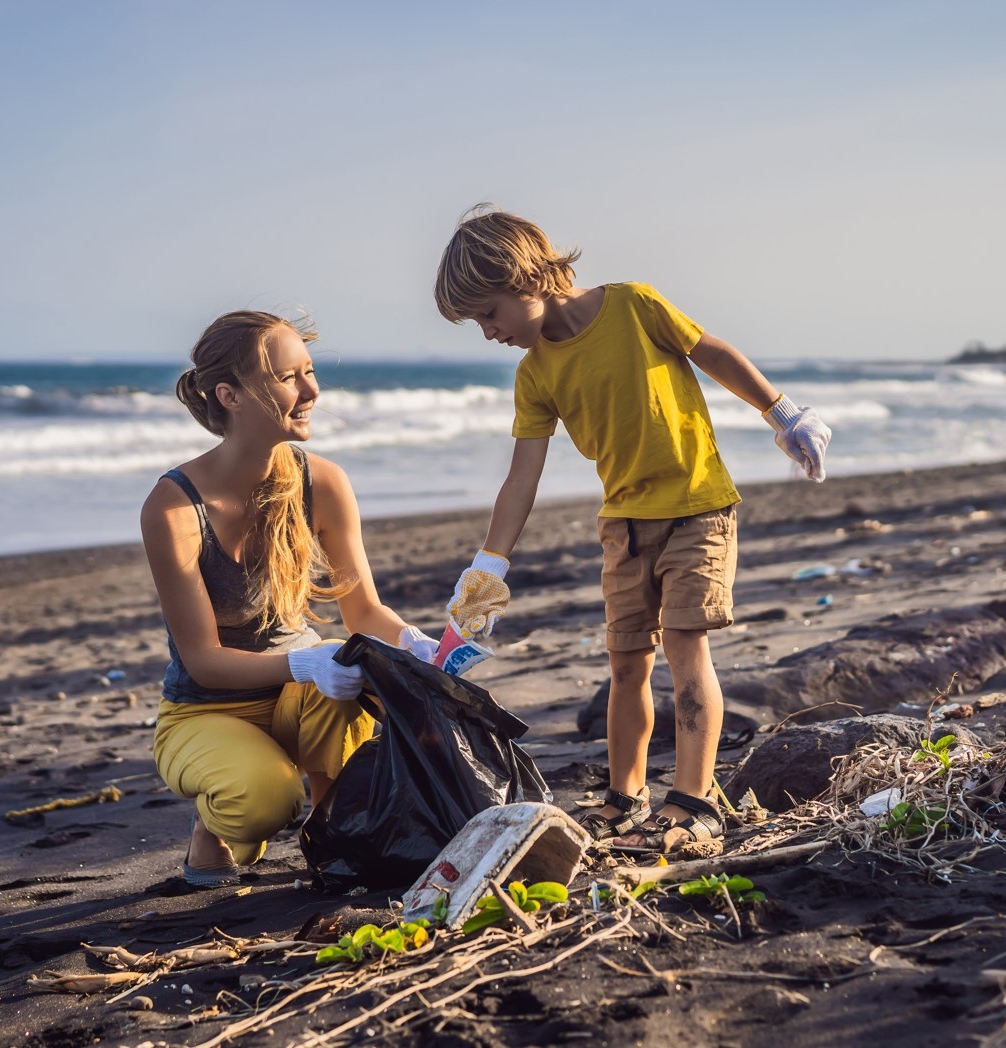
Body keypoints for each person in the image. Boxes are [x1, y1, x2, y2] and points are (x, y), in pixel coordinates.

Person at [434, 206, 832, 854]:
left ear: (525, 278)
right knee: (624, 663)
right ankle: (625, 797)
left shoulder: (633, 306)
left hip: (698, 508)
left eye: (488, 314)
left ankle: (694, 801)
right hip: (623, 525)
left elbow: (713, 353)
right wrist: (489, 565)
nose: (487, 333)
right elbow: (522, 476)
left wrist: (782, 412)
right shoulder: (535, 374)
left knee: (683, 648)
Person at [141, 309, 436, 887]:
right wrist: (306, 662)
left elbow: (365, 611)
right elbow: (202, 660)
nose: (311, 389)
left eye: (309, 371)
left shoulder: (322, 481)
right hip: (206, 709)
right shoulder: (173, 508)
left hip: (302, 696)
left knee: (348, 663)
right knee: (265, 800)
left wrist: (421, 645)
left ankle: (334, 836)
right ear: (230, 395)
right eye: (288, 376)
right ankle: (213, 827)